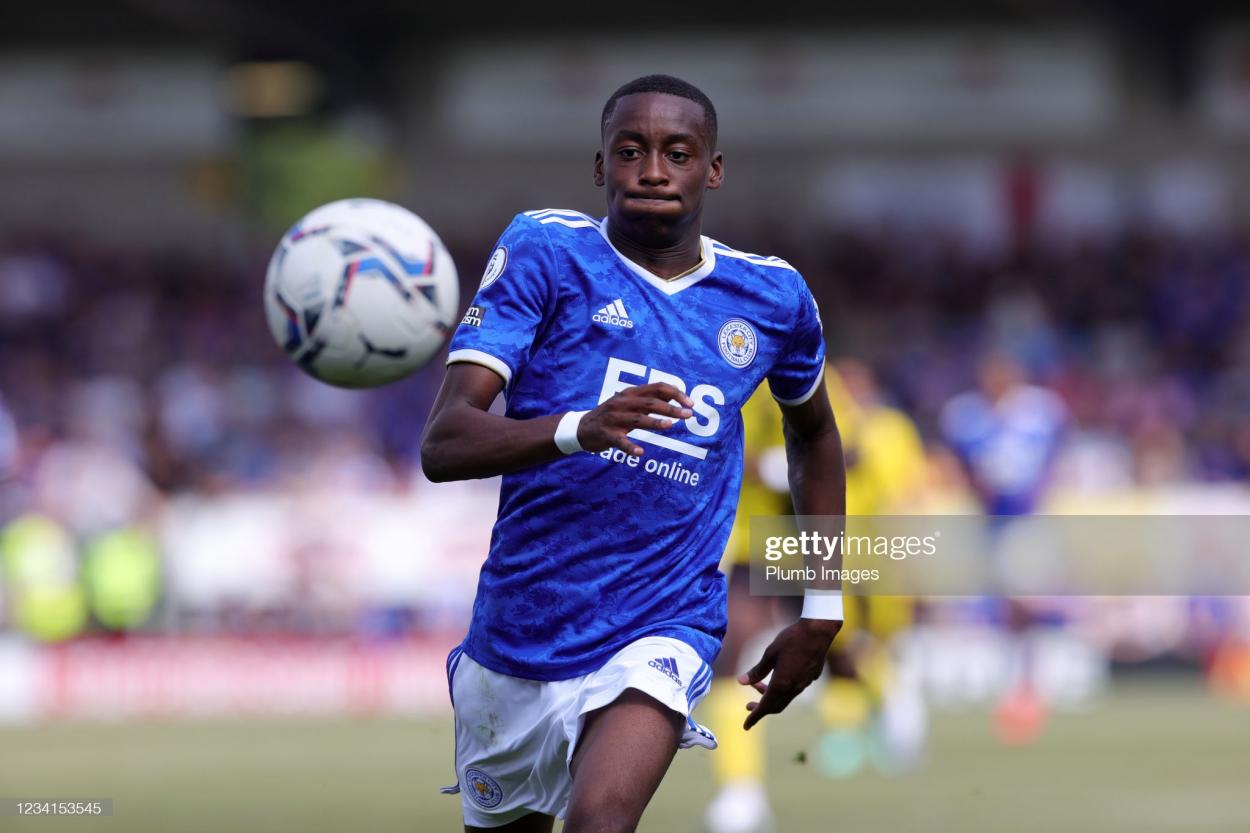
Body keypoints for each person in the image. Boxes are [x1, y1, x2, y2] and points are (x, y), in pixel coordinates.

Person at [420, 74, 846, 833]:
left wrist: (823, 604)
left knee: (602, 819)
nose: (653, 169)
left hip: (664, 617)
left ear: (712, 169)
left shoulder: (773, 298)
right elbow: (445, 440)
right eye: (631, 150)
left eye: (677, 153)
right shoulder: (547, 251)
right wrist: (578, 427)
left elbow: (813, 430)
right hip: (520, 630)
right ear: (600, 167)